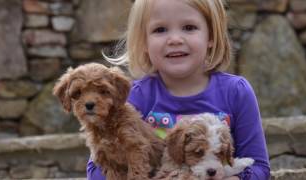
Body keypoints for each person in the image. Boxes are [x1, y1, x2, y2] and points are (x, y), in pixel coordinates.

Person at [87, 0, 270, 179]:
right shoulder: (134, 97)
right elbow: (98, 168)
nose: (175, 39)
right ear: (144, 42)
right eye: (160, 30)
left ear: (211, 36)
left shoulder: (236, 92)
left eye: (189, 27)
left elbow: (259, 167)